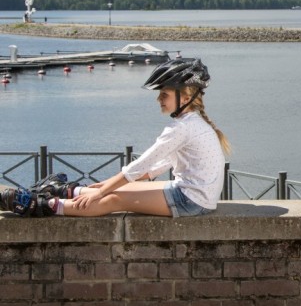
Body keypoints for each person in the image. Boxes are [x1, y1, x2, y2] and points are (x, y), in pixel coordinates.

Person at [1, 58, 230, 218]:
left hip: (191, 201)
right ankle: (68, 191)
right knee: (118, 189)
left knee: (115, 199)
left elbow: (142, 164)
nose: (159, 99)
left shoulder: (181, 128)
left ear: (186, 95)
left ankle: (41, 205)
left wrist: (102, 191)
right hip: (193, 194)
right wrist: (104, 185)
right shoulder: (192, 123)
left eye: (165, 94)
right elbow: (163, 164)